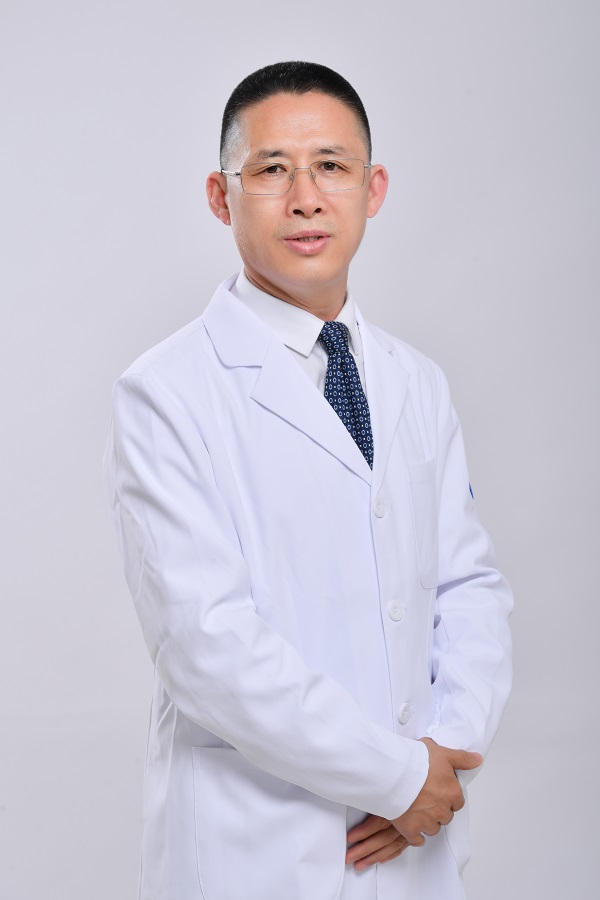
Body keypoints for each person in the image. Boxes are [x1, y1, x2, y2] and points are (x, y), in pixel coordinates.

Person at [104, 61, 512, 900]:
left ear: (373, 188)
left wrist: (446, 756)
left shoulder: (416, 382)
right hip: (257, 848)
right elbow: (206, 642)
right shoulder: (166, 391)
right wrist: (395, 777)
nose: (305, 198)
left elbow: (468, 587)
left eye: (331, 166)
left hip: (415, 842)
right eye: (270, 170)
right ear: (221, 197)